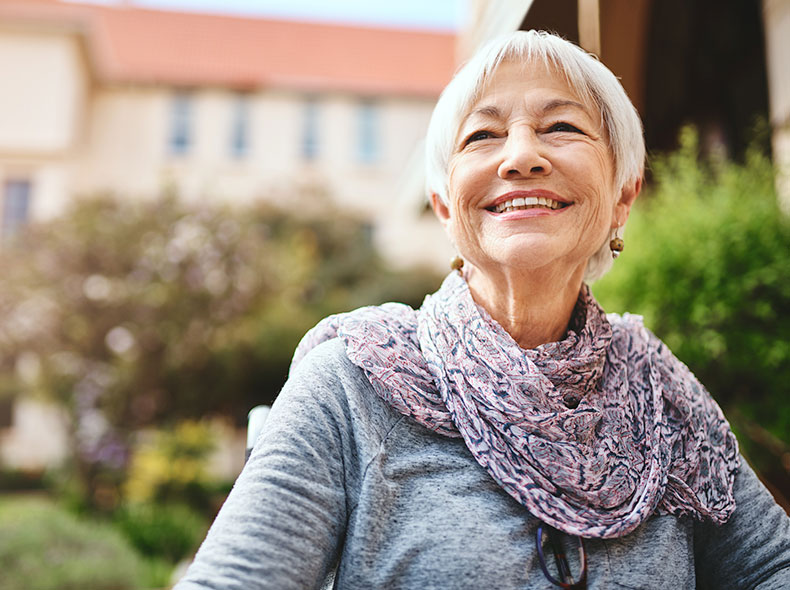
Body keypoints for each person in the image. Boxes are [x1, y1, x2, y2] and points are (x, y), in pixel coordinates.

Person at [175, 30, 790, 589]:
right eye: (482, 135)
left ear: (622, 197)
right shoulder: (350, 385)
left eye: (561, 127)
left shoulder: (664, 396)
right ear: (446, 206)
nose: (520, 156)